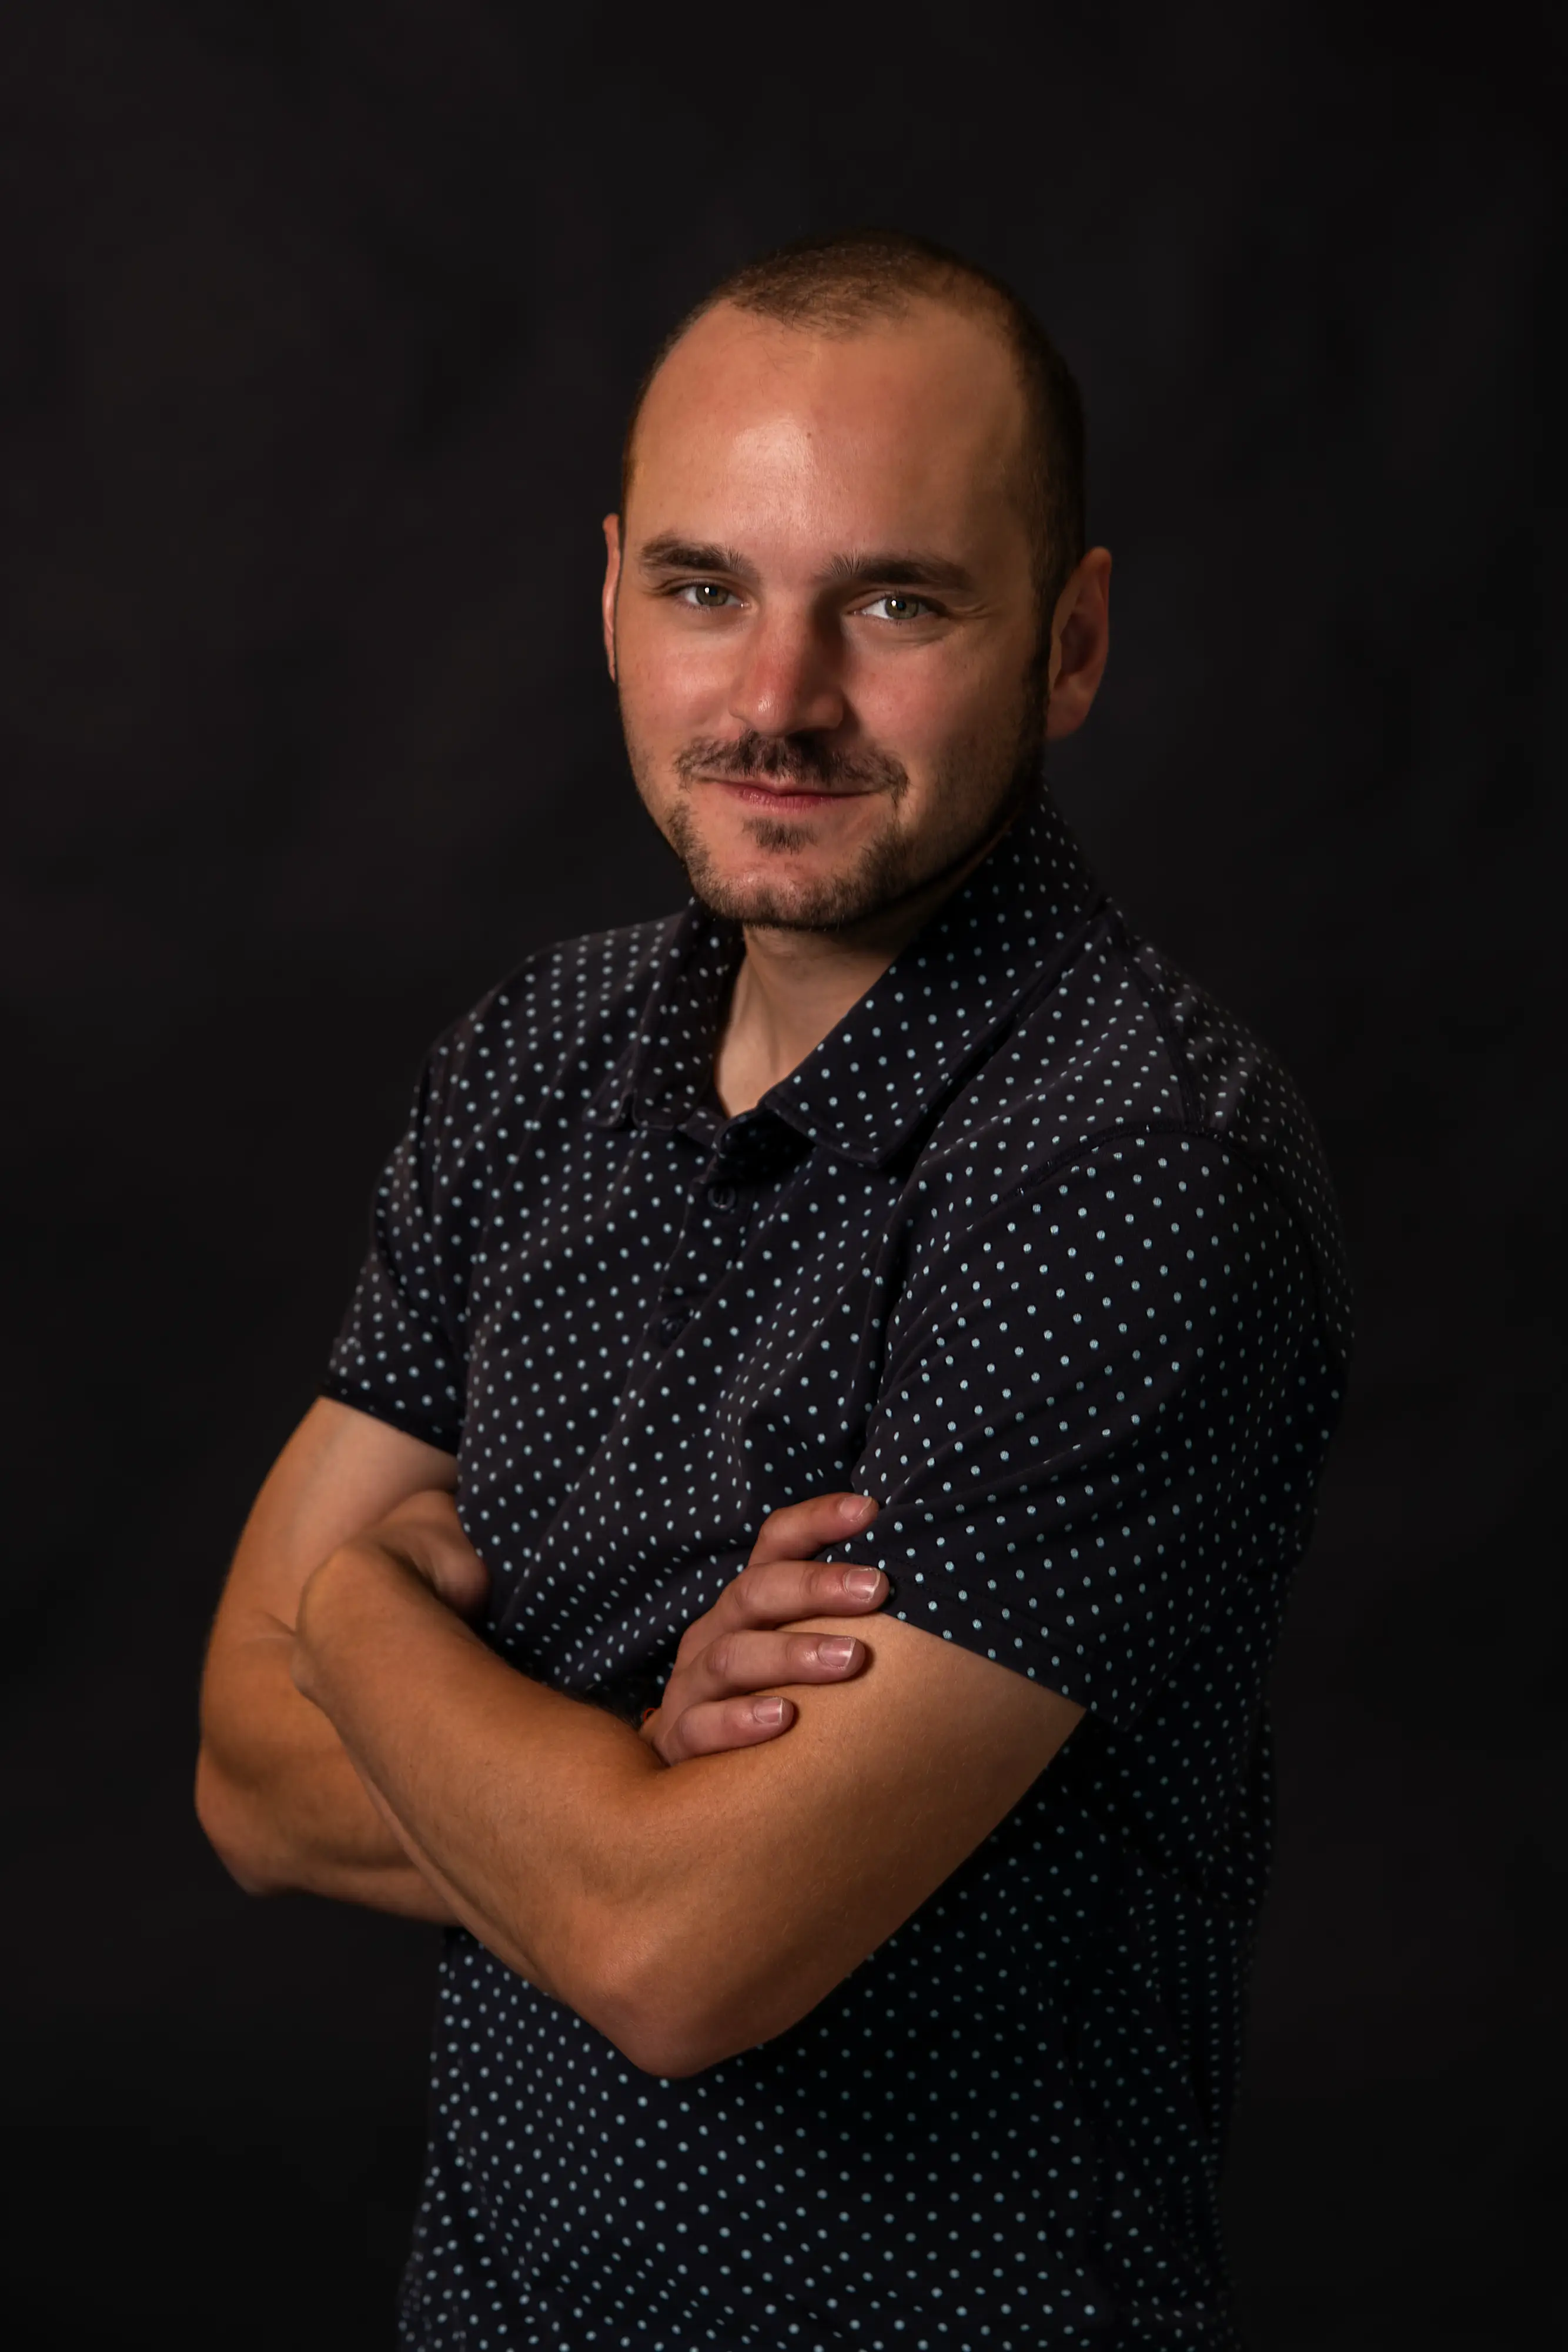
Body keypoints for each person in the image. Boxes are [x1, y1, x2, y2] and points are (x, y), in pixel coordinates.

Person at [196, 228, 1352, 2350]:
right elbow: (244, 1779)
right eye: (705, 588)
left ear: (1072, 643)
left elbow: (677, 1957)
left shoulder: (1137, 1173)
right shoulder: (538, 1057)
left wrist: (354, 1615)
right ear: (610, 599)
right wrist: (624, 1777)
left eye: (895, 602)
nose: (777, 701)